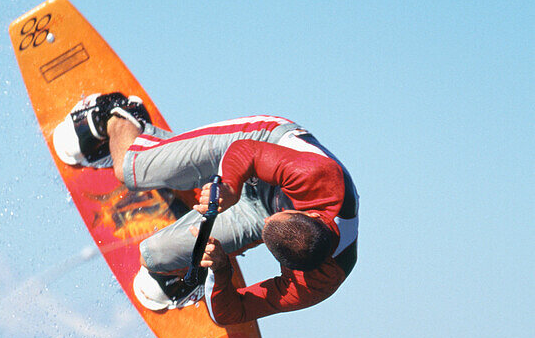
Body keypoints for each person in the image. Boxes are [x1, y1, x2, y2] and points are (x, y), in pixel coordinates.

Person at [52, 93, 358, 325]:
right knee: (131, 170)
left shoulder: (317, 283)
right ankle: (117, 114)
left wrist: (222, 271)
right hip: (256, 145)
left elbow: (230, 313)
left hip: (255, 211)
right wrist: (228, 186)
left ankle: (170, 162)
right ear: (308, 213)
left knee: (152, 261)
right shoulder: (322, 179)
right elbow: (244, 152)